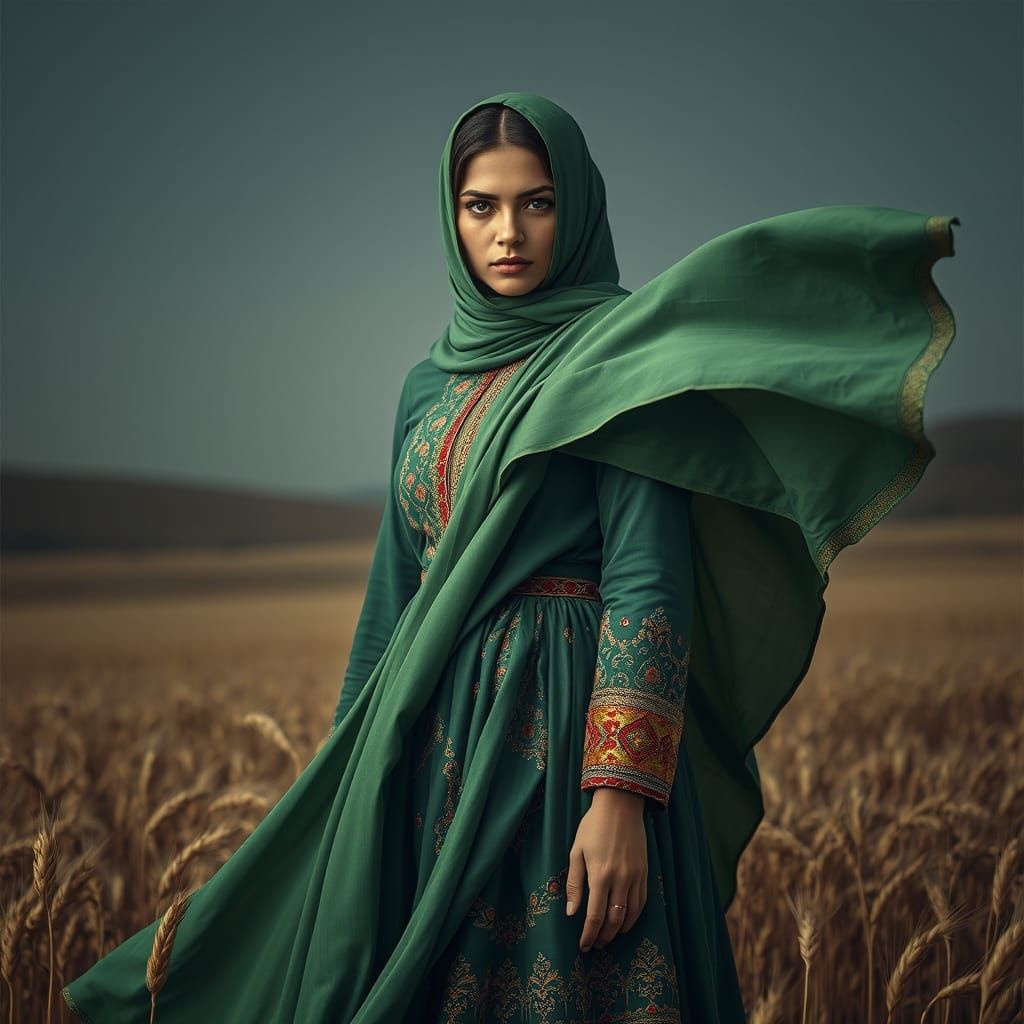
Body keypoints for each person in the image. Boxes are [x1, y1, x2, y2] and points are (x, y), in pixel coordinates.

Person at [61, 91, 958, 1024]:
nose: (508, 233)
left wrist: (619, 796)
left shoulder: (622, 359)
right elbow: (396, 592)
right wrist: (349, 779)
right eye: (480, 205)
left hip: (563, 728)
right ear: (451, 217)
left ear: (577, 209)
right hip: (430, 741)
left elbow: (647, 577)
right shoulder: (426, 385)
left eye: (538, 202)